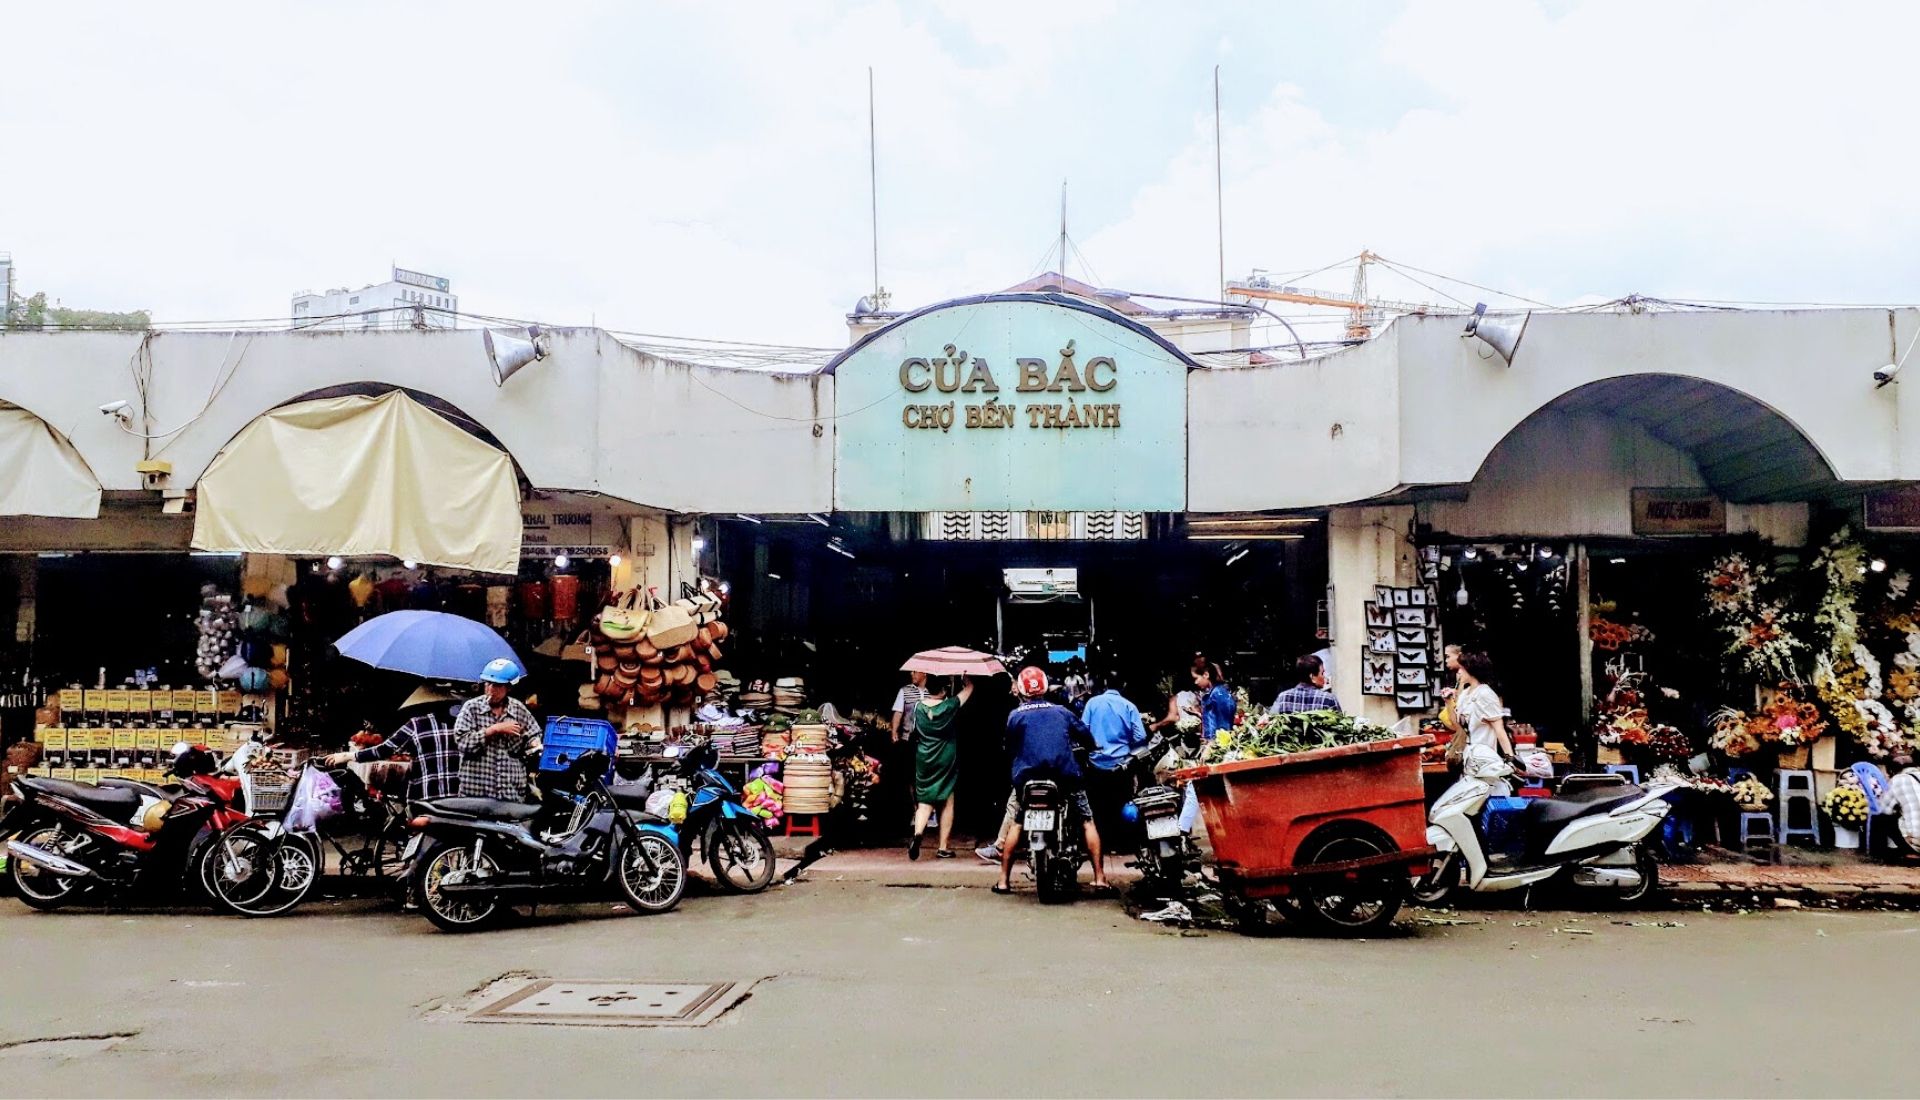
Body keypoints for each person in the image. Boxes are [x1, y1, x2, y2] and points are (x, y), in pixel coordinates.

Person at [995, 667, 1107, 895]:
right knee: (1087, 821)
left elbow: (1008, 745)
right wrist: (1092, 746)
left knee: (1017, 823)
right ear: (1045, 686)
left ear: (1022, 690)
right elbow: (1086, 736)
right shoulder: (1061, 712)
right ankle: (1100, 877)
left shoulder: (1016, 715)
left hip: (1026, 779)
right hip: (1065, 776)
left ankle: (1004, 881)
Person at [323, 682, 461, 804]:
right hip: (461, 796)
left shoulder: (417, 724)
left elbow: (384, 750)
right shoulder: (464, 725)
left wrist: (348, 756)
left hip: (427, 796)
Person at [1081, 671, 1151, 867]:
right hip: (1122, 765)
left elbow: (1083, 731)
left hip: (1096, 764)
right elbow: (1140, 738)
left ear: (1104, 684)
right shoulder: (1129, 706)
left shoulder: (1092, 704)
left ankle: (1101, 843)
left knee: (1097, 807)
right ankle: (1122, 843)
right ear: (1124, 685)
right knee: (1122, 803)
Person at [451, 658, 542, 803]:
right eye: (488, 684)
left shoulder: (518, 709)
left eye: (497, 686)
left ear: (508, 688)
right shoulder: (471, 708)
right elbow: (463, 742)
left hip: (509, 792)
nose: (491, 689)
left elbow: (534, 735)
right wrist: (494, 729)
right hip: (475, 792)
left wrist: (534, 743)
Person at [909, 674, 974, 860]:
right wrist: (965, 679)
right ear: (944, 689)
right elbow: (969, 690)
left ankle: (918, 834)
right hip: (945, 756)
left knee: (924, 800)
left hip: (924, 756)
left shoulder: (918, 707)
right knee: (947, 799)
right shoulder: (950, 705)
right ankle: (943, 847)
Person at [1454, 650, 1514, 794]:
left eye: (1462, 668)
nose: (1459, 672)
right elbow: (1456, 724)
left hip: (1485, 762)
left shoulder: (1486, 694)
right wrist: (1451, 699)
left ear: (1471, 669)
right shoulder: (1465, 694)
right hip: (1468, 761)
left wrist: (1510, 758)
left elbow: (1499, 730)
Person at [1876, 754, 1920, 856]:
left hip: (1916, 843)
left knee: (1879, 817)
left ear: (1891, 771)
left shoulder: (1898, 780)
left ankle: (1880, 855)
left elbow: (1883, 809)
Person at [1271, 653, 1343, 714]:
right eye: (1322, 673)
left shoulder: (1283, 698)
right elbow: (1341, 727)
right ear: (1312, 677)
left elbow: (1270, 722)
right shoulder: (1328, 699)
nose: (1324, 677)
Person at [1194, 663, 1236, 740]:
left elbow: (1224, 726)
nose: (1195, 682)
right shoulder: (1212, 693)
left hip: (1216, 743)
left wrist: (1211, 745)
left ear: (1206, 675)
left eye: (1196, 678)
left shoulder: (1219, 693)